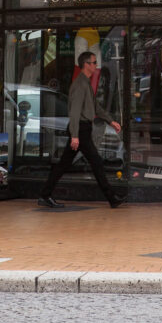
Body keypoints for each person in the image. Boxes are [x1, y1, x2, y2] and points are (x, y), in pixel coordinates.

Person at [38, 51, 125, 209]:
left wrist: (110, 120)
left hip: (82, 129)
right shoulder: (80, 85)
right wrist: (75, 136)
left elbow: (95, 107)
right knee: (96, 162)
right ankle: (112, 198)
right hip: (81, 129)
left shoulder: (85, 82)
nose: (95, 65)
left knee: (64, 164)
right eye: (93, 62)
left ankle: (45, 194)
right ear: (86, 65)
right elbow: (75, 113)